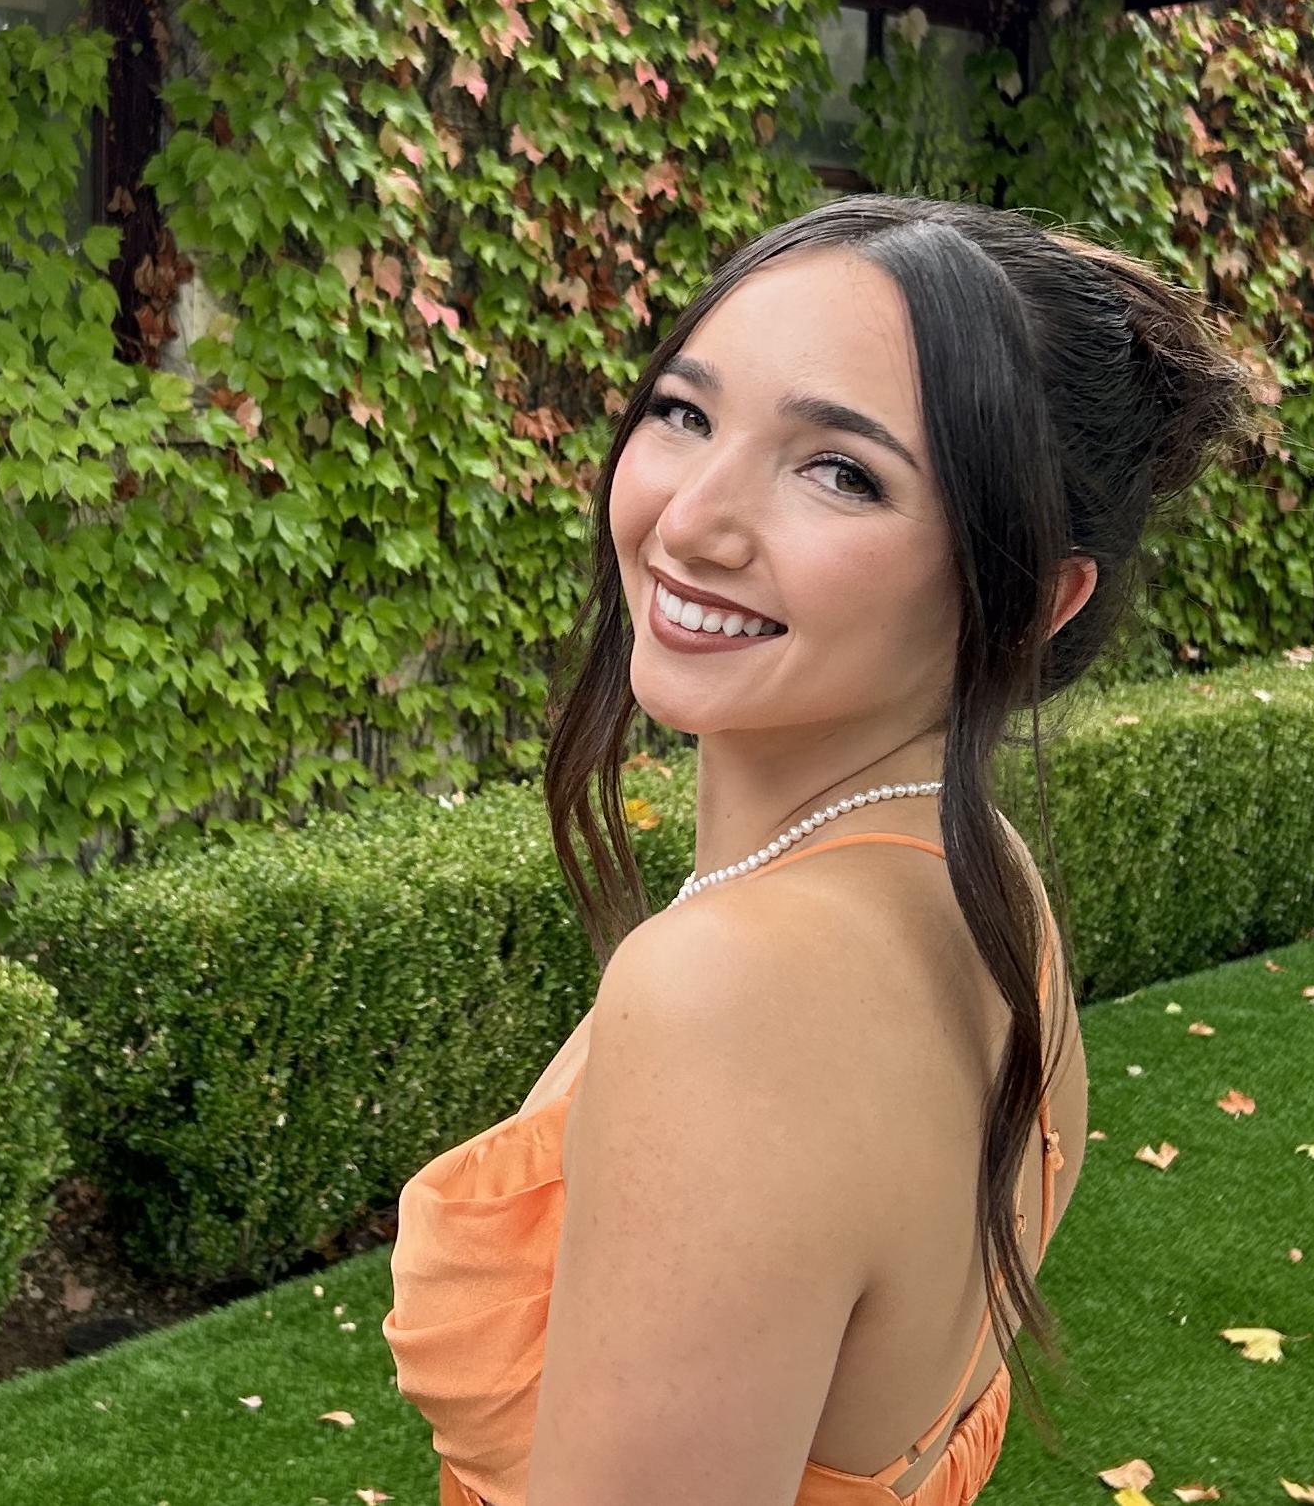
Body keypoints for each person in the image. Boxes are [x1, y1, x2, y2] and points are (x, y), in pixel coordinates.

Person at [381, 194, 1261, 1506]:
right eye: (685, 413)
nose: (691, 521)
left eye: (842, 471)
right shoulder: (981, 883)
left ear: (1030, 595)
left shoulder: (731, 991)